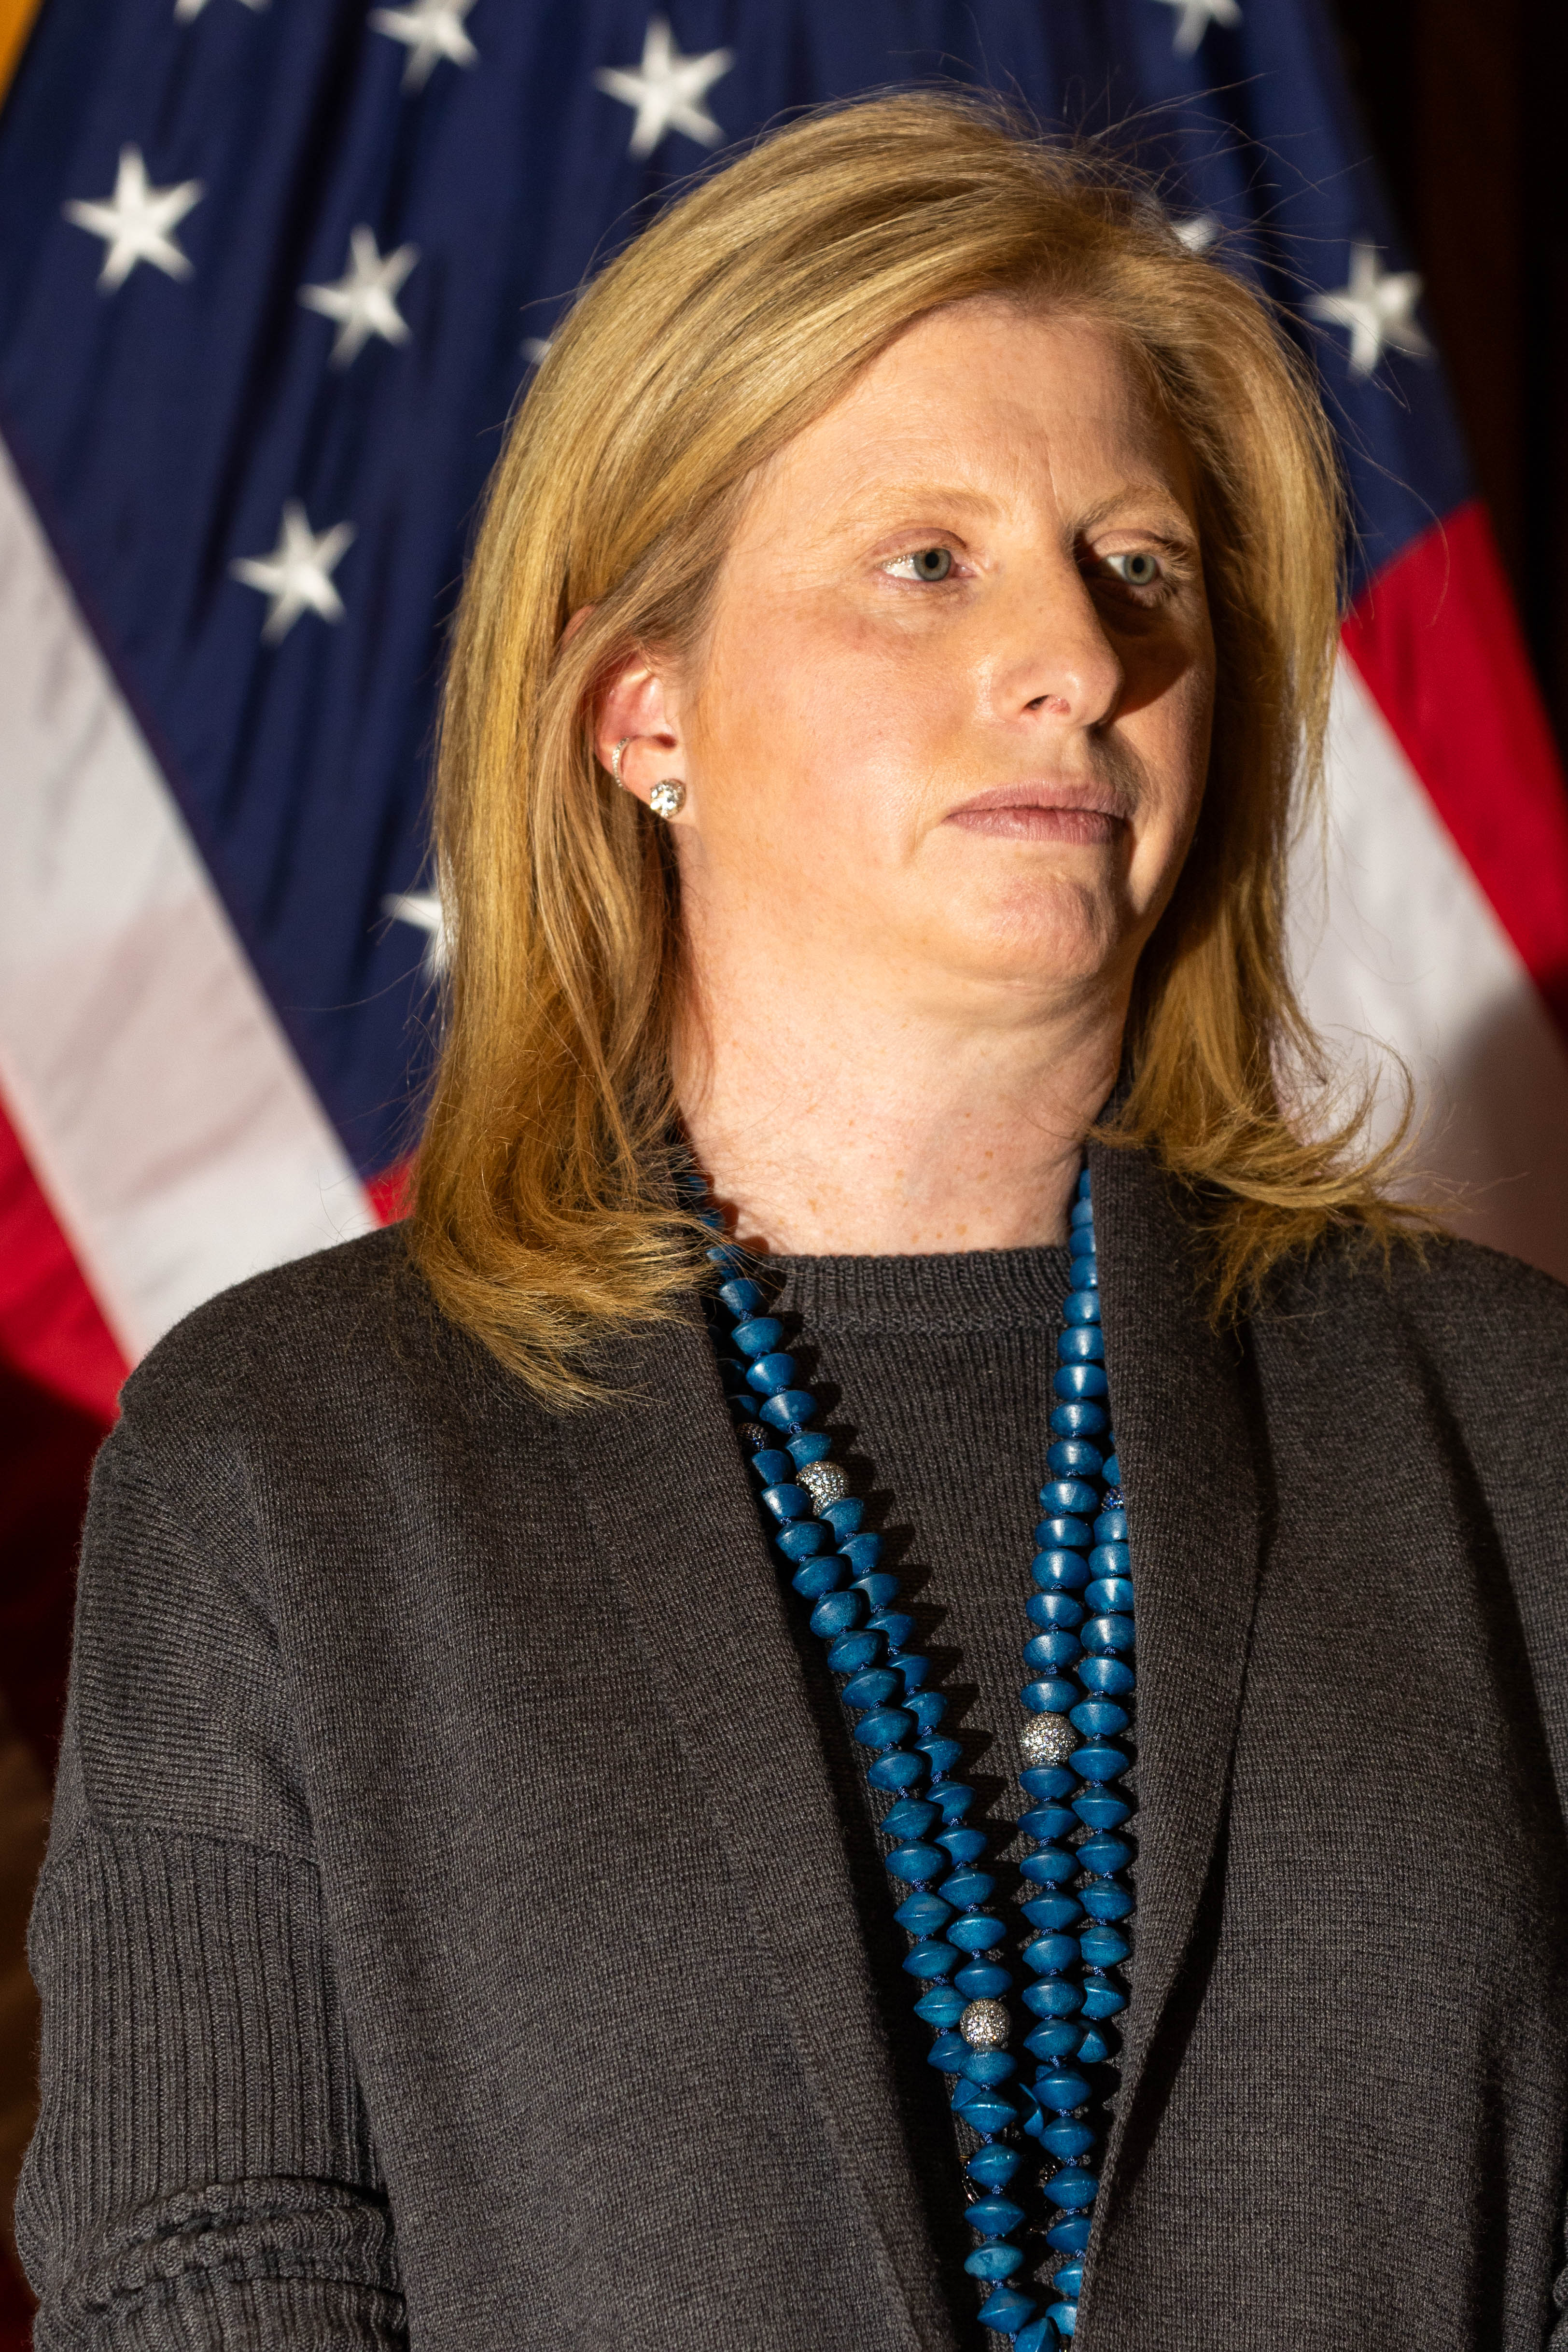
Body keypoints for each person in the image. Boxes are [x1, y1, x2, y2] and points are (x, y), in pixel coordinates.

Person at [18, 91, 1568, 2352]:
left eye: (1135, 566)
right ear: (644, 711)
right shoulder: (282, 1460)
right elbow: (206, 2283)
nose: (1078, 656)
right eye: (923, 561)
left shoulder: (1510, 1422)